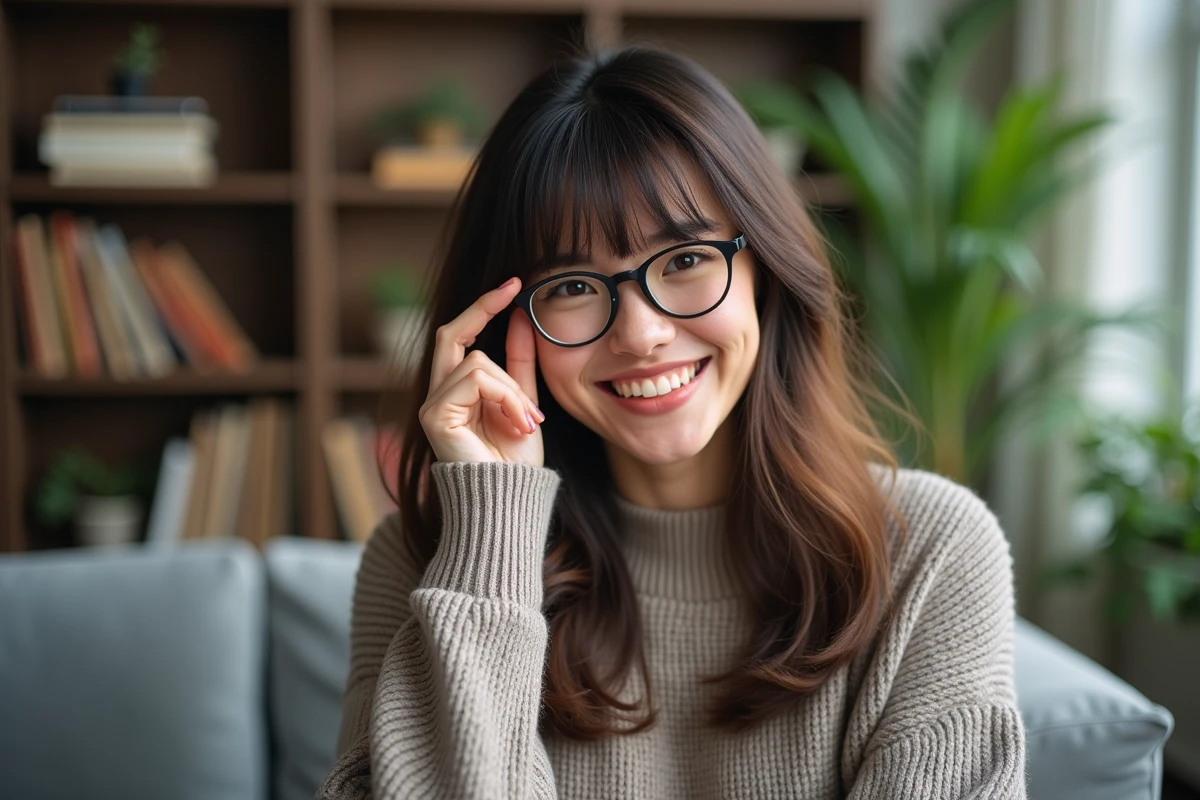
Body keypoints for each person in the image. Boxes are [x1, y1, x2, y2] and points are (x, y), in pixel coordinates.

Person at [318, 45, 1026, 799]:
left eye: (685, 259)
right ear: (505, 326)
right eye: (573, 285)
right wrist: (493, 540)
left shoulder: (931, 553)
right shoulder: (429, 561)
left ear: (765, 270)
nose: (641, 335)